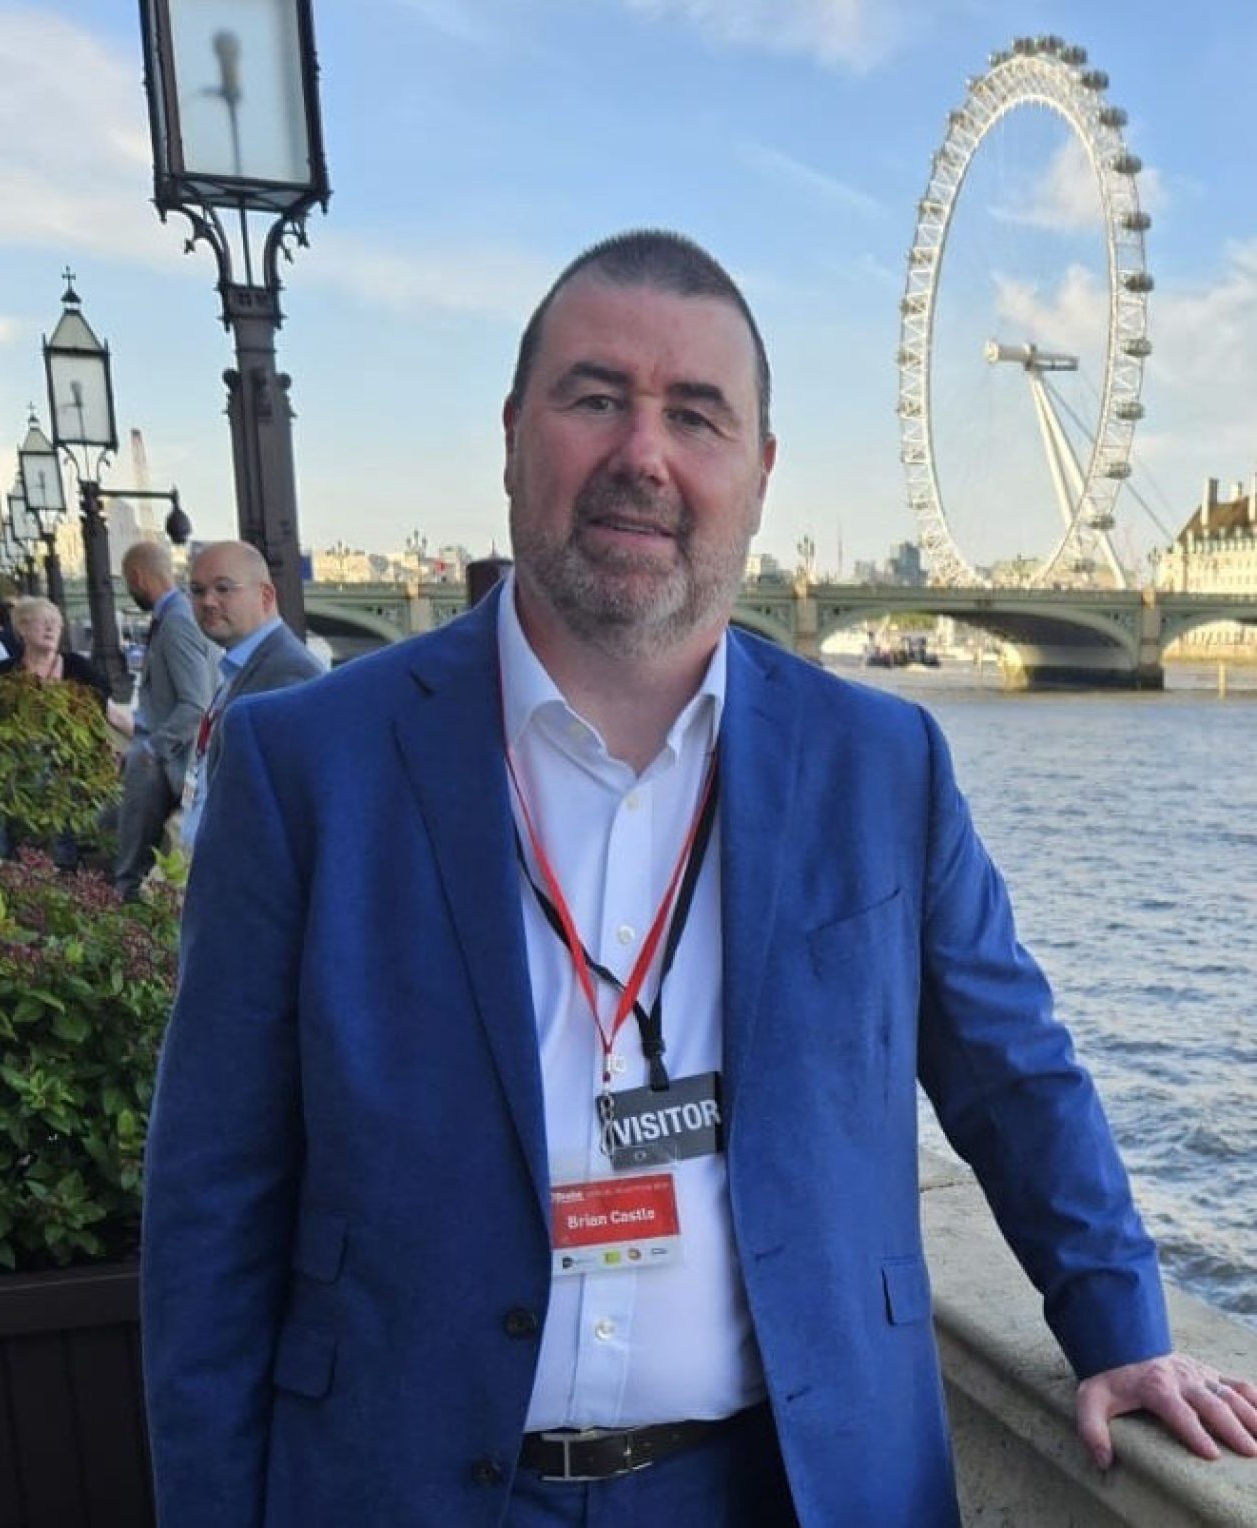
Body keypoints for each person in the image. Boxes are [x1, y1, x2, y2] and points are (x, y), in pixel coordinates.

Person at [141, 231, 1257, 1527]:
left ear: (760, 471)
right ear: (514, 436)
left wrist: (1120, 1320)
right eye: (596, 397)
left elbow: (1014, 1069)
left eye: (697, 414)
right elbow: (213, 1207)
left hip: (788, 1483)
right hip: (414, 1483)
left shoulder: (880, 765)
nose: (644, 453)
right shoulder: (308, 769)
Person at [179, 540, 325, 850]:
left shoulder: (288, 675)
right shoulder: (240, 667)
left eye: (223, 588)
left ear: (266, 595)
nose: (208, 601)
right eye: (197, 590)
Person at [111, 539, 215, 900]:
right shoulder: (176, 617)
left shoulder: (176, 623)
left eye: (128, 581)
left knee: (130, 869)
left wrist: (151, 749)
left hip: (165, 763)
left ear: (138, 576)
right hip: (164, 761)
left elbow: (195, 704)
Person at [0, 595, 110, 701]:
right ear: (22, 628)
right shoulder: (5, 672)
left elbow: (108, 709)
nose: (50, 628)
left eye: (55, 622)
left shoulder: (78, 665)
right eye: (43, 621)